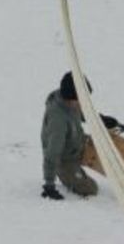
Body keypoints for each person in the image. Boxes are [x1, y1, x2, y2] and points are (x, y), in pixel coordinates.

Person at [41, 72, 117, 200]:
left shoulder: (70, 101)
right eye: (81, 99)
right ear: (71, 99)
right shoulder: (58, 121)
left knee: (110, 146)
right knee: (90, 188)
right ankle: (69, 174)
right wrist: (49, 184)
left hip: (77, 143)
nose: (83, 103)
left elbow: (81, 113)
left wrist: (100, 120)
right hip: (64, 160)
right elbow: (52, 153)